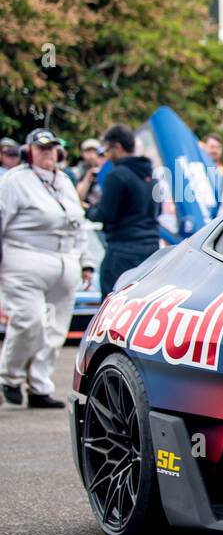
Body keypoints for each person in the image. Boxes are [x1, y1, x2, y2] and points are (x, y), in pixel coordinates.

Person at [0, 128, 95, 408]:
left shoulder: (64, 180)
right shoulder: (14, 181)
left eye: (52, 149)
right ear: (29, 152)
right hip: (25, 257)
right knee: (28, 321)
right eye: (42, 149)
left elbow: (78, 224)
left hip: (64, 259)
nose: (48, 154)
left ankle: (40, 385)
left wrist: (86, 261)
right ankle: (11, 375)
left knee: (55, 329)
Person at [88, 124, 161, 294]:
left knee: (113, 305)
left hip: (122, 252)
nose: (106, 155)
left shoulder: (118, 175)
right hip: (151, 251)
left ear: (117, 147)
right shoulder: (151, 176)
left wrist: (89, 211)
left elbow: (104, 214)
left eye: (106, 150)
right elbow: (157, 212)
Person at [203, 133, 223, 211]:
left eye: (218, 148)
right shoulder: (198, 170)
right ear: (204, 147)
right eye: (212, 147)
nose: (215, 150)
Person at [74, 138, 105, 211]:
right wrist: (87, 179)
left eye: (94, 151)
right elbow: (77, 198)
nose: (92, 155)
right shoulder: (76, 171)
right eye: (88, 151)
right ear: (82, 153)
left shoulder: (106, 169)